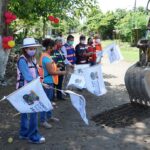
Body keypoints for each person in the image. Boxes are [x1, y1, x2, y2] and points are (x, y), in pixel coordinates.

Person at [16, 37, 45, 144]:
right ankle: (33, 136)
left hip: (32, 88)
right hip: (26, 90)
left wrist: (41, 83)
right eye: (30, 48)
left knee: (25, 111)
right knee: (33, 111)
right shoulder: (22, 60)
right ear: (25, 49)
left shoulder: (32, 59)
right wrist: (40, 84)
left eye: (34, 48)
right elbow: (28, 77)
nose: (33, 50)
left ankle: (23, 133)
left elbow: (36, 74)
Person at [39, 38, 66, 129]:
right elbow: (51, 72)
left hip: (50, 82)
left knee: (49, 100)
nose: (56, 47)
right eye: (54, 46)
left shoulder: (47, 55)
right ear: (50, 47)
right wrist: (62, 72)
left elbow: (51, 69)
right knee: (45, 101)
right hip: (46, 82)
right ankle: (43, 120)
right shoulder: (46, 57)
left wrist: (57, 68)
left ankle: (49, 117)